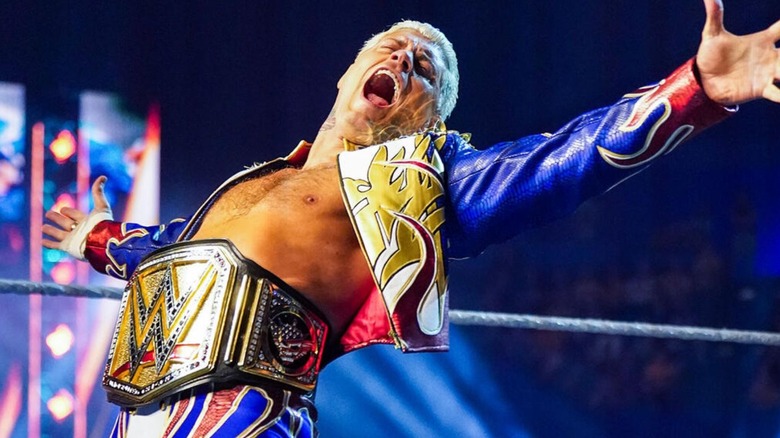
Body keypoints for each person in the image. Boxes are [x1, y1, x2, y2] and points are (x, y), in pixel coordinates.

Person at [41, 0, 779, 436]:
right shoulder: (259, 181)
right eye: (396, 48)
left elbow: (556, 163)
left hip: (242, 413)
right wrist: (100, 241)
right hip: (139, 413)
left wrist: (695, 92)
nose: (409, 59)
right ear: (349, 74)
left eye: (429, 70)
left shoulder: (412, 185)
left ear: (428, 117)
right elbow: (181, 251)